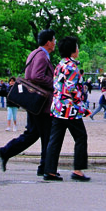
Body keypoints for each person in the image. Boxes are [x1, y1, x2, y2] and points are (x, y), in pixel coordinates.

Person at [0, 30, 56, 175]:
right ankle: (45, 168)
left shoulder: (34, 53)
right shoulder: (42, 56)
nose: (55, 43)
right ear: (48, 42)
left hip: (33, 102)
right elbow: (37, 76)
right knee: (47, 135)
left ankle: (6, 151)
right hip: (42, 103)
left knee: (32, 133)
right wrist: (55, 83)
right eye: (54, 40)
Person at [44, 36, 90, 181]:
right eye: (76, 47)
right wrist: (81, 105)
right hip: (69, 108)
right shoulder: (72, 67)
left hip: (57, 106)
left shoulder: (60, 64)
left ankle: (50, 170)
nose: (78, 49)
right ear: (72, 50)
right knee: (81, 136)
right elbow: (71, 88)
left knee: (55, 139)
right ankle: (78, 170)